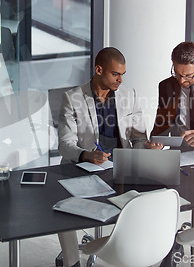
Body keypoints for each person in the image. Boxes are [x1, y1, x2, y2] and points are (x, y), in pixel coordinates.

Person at [56, 47, 158, 267]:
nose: (120, 80)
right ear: (99, 69)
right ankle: (72, 262)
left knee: (150, 200)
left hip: (120, 167)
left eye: (123, 74)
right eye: (115, 74)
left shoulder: (128, 95)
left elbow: (139, 138)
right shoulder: (72, 98)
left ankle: (136, 254)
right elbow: (64, 145)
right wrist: (85, 155)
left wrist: (147, 147)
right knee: (64, 207)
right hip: (82, 167)